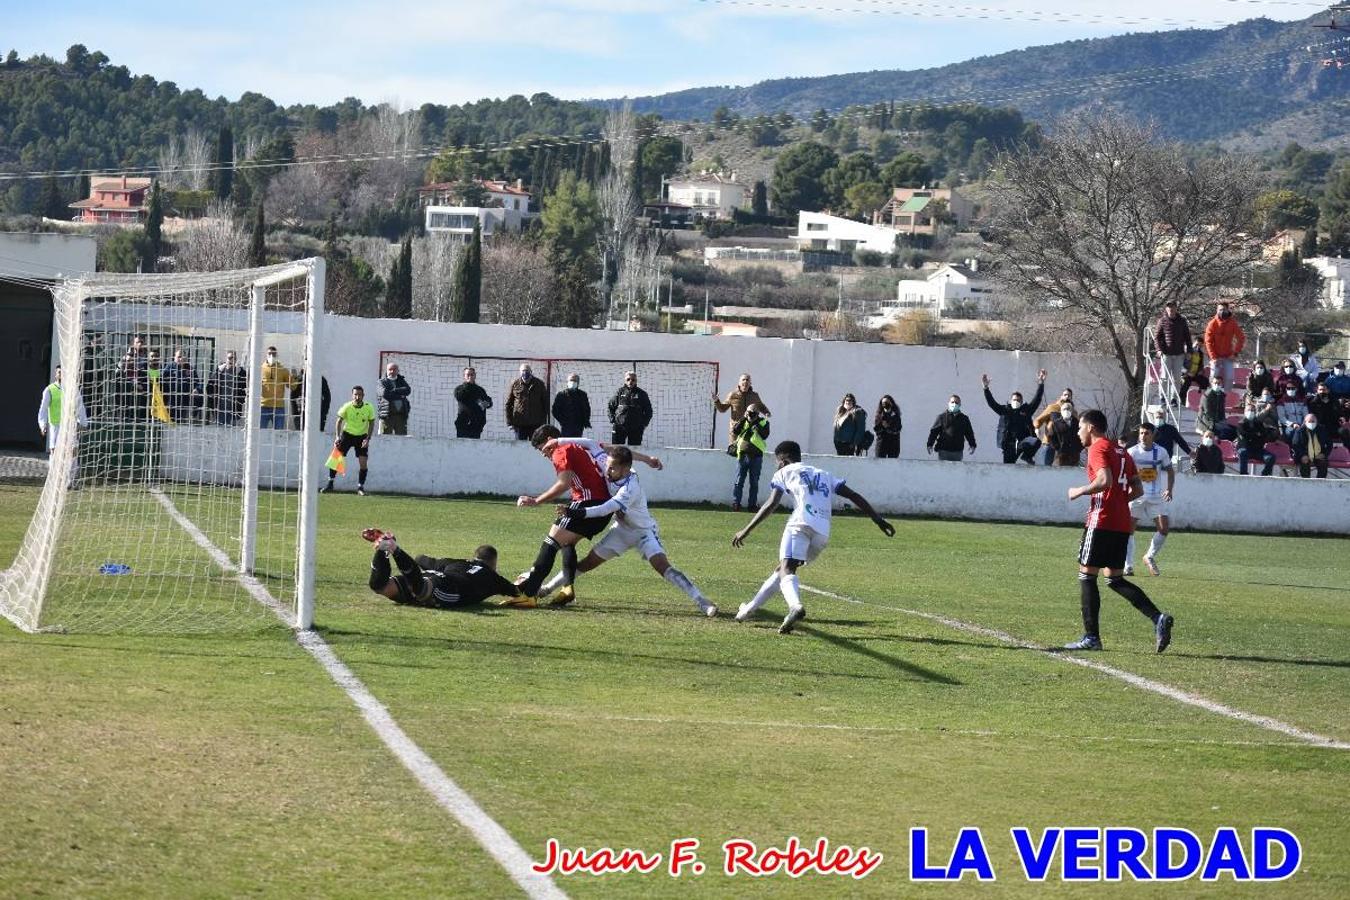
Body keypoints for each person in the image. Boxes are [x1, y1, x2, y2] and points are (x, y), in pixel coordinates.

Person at [532, 442, 718, 617]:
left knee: (663, 567)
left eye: (613, 468)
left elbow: (606, 508)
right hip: (621, 531)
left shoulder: (631, 486)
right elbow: (591, 443)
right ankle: (547, 588)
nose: (607, 470)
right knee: (586, 564)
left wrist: (576, 512)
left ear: (626, 469)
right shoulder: (611, 466)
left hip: (643, 532)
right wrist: (558, 439)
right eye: (608, 466)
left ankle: (702, 601)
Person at [730, 440, 894, 634]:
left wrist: (746, 530)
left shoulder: (784, 472)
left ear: (783, 460)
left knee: (786, 569)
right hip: (822, 532)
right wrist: (878, 520)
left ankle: (795, 607)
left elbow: (771, 504)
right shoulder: (824, 474)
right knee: (783, 570)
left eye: (777, 462)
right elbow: (853, 495)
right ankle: (748, 609)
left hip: (800, 524)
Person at [1064, 409, 1174, 654]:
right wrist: (1117, 502)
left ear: (1090, 427)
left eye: (1080, 427)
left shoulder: (1097, 448)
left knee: (1087, 575)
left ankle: (1091, 638)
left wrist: (1078, 491)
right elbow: (1137, 490)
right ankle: (1158, 618)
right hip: (1121, 523)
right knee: (1114, 579)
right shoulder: (1123, 452)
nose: (1078, 432)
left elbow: (1105, 480)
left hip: (1101, 521)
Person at [512, 424, 617, 598]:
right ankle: (567, 588)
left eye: (542, 449)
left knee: (550, 543)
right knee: (567, 543)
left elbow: (564, 483)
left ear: (549, 441)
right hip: (603, 509)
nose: (544, 454)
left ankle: (529, 595)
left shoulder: (561, 450)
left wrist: (536, 500)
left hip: (588, 504)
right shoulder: (578, 447)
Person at [362, 529, 520, 608]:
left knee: (379, 586)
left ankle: (383, 548)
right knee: (422, 591)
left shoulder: (455, 562)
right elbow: (518, 592)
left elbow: (420, 559)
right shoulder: (493, 577)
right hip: (447, 588)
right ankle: (394, 549)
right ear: (493, 563)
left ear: (474, 557)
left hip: (433, 575)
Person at [1126, 422, 1174, 577]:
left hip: (1155, 496)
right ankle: (1128, 566)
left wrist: (1169, 489)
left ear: (1153, 435)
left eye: (1146, 433)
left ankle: (1149, 556)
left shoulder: (1161, 452)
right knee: (1128, 531)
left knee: (1164, 529)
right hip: (1136, 495)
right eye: (1140, 433)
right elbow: (1125, 473)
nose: (1143, 436)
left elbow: (1170, 471)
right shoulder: (1132, 452)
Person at [37, 366, 88, 487]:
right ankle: (55, 479)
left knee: (73, 451)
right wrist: (43, 425)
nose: (61, 375)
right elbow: (43, 410)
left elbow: (80, 406)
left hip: (70, 426)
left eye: (63, 372)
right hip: (55, 426)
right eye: (59, 372)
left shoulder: (72, 389)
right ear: (56, 375)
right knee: (55, 452)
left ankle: (71, 481)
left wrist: (84, 423)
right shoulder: (49, 390)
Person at [982, 370, 1045, 464]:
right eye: (1014, 399)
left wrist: (1041, 383)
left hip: (1022, 441)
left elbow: (1037, 399)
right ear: (1010, 400)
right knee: (1008, 465)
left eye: (1019, 400)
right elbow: (992, 403)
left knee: (1036, 442)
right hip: (1009, 444)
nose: (1016, 401)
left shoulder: (1026, 410)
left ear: (1022, 401)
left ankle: (1026, 457)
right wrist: (986, 388)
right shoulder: (1004, 410)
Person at [323, 385, 376, 495]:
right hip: (347, 435)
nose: (357, 397)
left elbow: (371, 422)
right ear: (352, 395)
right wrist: (337, 437)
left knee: (363, 462)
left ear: (363, 395)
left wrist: (368, 438)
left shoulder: (369, 407)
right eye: (355, 394)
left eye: (359, 394)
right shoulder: (347, 406)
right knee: (336, 458)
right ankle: (330, 484)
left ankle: (360, 488)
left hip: (361, 437)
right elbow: (339, 421)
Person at [731, 403, 770, 512]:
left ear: (757, 414)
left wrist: (756, 427)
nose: (751, 415)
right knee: (739, 481)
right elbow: (735, 431)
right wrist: (744, 418)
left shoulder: (763, 422)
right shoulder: (743, 421)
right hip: (742, 455)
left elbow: (765, 435)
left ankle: (752, 505)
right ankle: (736, 503)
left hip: (756, 457)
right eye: (749, 412)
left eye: (753, 413)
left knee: (754, 482)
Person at [714, 373, 771, 445]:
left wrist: (766, 412)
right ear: (739, 383)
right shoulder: (733, 395)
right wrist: (716, 401)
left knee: (748, 450)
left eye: (747, 380)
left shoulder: (754, 395)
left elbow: (761, 406)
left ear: (750, 383)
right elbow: (722, 409)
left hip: (750, 429)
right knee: (734, 451)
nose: (745, 381)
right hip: (736, 429)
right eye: (743, 380)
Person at [1152, 301, 1193, 403]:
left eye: (1173, 307)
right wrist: (1158, 350)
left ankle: (1174, 398)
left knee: (1177, 378)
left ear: (1176, 308)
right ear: (1166, 309)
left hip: (1179, 354)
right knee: (1164, 377)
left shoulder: (1182, 321)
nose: (1171, 309)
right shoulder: (1162, 321)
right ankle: (1163, 397)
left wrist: (1189, 351)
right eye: (1169, 307)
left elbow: (1188, 337)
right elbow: (1157, 337)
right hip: (1166, 354)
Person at [1202, 301, 1244, 389]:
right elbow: (1208, 342)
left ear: (1228, 310)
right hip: (1215, 356)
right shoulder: (1212, 324)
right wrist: (1213, 357)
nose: (1222, 311)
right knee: (1214, 375)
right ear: (1217, 311)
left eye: (1224, 309)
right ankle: (1211, 393)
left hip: (1228, 355)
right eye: (1220, 310)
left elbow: (1241, 338)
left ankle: (1226, 396)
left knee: (1229, 377)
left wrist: (1235, 353)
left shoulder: (1232, 323)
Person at [607, 371, 653, 445]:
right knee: (617, 450)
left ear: (636, 381)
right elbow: (610, 406)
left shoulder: (641, 393)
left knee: (635, 451)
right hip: (620, 427)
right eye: (628, 379)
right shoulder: (620, 392)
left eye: (633, 380)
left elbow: (649, 411)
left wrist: (643, 424)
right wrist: (613, 420)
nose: (630, 381)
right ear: (625, 380)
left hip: (636, 428)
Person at [505, 363, 549, 441]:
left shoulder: (539, 384)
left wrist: (543, 422)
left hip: (536, 424)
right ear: (520, 372)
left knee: (535, 446)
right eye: (523, 371)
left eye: (527, 370)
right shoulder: (515, 384)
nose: (525, 372)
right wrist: (509, 422)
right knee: (520, 447)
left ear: (531, 371)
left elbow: (545, 404)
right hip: (519, 424)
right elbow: (508, 404)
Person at [1033, 387, 1076, 465]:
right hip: (1049, 442)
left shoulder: (1073, 411)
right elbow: (1038, 420)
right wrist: (1037, 428)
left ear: (1071, 398)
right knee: (1045, 468)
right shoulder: (1053, 407)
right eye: (1065, 394)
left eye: (1069, 395)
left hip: (1064, 445)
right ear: (1061, 396)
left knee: (1062, 471)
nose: (1067, 397)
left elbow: (1077, 425)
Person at [926, 395, 976, 461]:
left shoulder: (964, 418)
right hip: (943, 451)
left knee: (956, 471)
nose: (954, 404)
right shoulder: (941, 417)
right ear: (949, 403)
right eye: (952, 402)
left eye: (956, 402)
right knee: (943, 470)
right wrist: (930, 444)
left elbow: (969, 433)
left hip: (958, 452)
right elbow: (934, 432)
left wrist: (972, 445)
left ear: (960, 404)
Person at [1235, 402, 1278, 477]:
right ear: (1245, 412)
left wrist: (1255, 435)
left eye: (1252, 410)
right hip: (1245, 448)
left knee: (1271, 458)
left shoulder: (1259, 423)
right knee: (1243, 453)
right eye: (1249, 410)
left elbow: (1263, 436)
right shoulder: (1241, 424)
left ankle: (1264, 475)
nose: (1250, 412)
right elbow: (1245, 436)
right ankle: (1243, 474)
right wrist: (1257, 434)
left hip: (1258, 450)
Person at [205, 351, 247, 426]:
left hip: (234, 409)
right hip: (220, 408)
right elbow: (209, 387)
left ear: (236, 360)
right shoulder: (219, 371)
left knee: (233, 432)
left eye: (233, 358)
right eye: (229, 358)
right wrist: (212, 400)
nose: (231, 360)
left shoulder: (241, 373)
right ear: (226, 359)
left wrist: (241, 400)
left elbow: (245, 389)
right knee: (219, 431)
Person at [1285, 413, 1332, 479]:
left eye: (1313, 421)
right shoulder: (1299, 431)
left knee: (1323, 462)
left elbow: (1330, 444)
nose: (1311, 423)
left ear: (1316, 422)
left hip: (1318, 453)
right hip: (1304, 454)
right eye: (1309, 421)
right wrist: (1303, 455)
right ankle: (1306, 482)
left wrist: (1324, 454)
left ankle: (1320, 482)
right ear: (1305, 422)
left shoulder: (1322, 430)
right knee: (1304, 462)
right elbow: (1295, 444)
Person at [160, 349, 199, 424]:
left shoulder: (190, 369)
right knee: (169, 422)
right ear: (174, 357)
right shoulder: (170, 366)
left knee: (181, 422)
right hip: (170, 399)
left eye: (183, 357)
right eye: (179, 357)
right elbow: (161, 378)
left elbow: (197, 382)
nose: (181, 359)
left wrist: (196, 389)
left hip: (184, 400)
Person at [453, 367, 492, 439]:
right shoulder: (460, 388)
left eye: (472, 374)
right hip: (463, 424)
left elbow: (488, 402)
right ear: (464, 376)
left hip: (476, 426)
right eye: (468, 374)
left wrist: (485, 403)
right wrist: (468, 384)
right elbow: (460, 396)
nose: (470, 376)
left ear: (475, 376)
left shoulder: (480, 390)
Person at [260, 346, 292, 429]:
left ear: (277, 355)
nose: (271, 356)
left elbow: (292, 385)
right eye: (269, 353)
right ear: (266, 355)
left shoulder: (283, 369)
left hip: (278, 407)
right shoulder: (260, 368)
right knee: (260, 433)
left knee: (279, 434)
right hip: (263, 406)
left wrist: (295, 377)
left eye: (273, 354)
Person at [377, 362, 412, 436]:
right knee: (384, 439)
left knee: (402, 439)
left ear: (398, 371)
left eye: (394, 369)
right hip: (387, 416)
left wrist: (394, 390)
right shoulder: (382, 382)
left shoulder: (401, 380)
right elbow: (385, 394)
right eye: (390, 369)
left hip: (401, 416)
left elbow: (408, 390)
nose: (392, 371)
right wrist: (400, 395)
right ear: (387, 371)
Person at [551, 373, 591, 438]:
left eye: (575, 381)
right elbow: (555, 410)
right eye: (571, 380)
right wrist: (563, 421)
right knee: (567, 444)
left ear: (578, 383)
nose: (573, 382)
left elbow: (587, 409)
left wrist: (586, 421)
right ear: (567, 382)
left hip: (579, 426)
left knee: (577, 445)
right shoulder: (561, 395)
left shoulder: (583, 395)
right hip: (566, 426)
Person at [1196, 376, 1234, 442]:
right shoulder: (1207, 395)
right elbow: (1208, 413)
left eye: (1219, 383)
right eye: (1215, 383)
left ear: (1222, 384)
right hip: (1206, 422)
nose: (1217, 385)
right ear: (1212, 384)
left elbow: (1222, 411)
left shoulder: (1222, 395)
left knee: (1235, 430)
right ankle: (1217, 442)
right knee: (1227, 433)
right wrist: (1220, 423)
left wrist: (1223, 421)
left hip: (1218, 422)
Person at [1045, 400, 1083, 467]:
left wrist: (1078, 449)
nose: (1066, 410)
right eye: (1064, 409)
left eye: (1068, 409)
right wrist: (1057, 448)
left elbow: (1082, 437)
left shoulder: (1078, 423)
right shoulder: (1055, 423)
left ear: (1071, 411)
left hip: (1074, 455)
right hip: (1061, 456)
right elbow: (1050, 437)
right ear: (1061, 411)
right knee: (1061, 475)